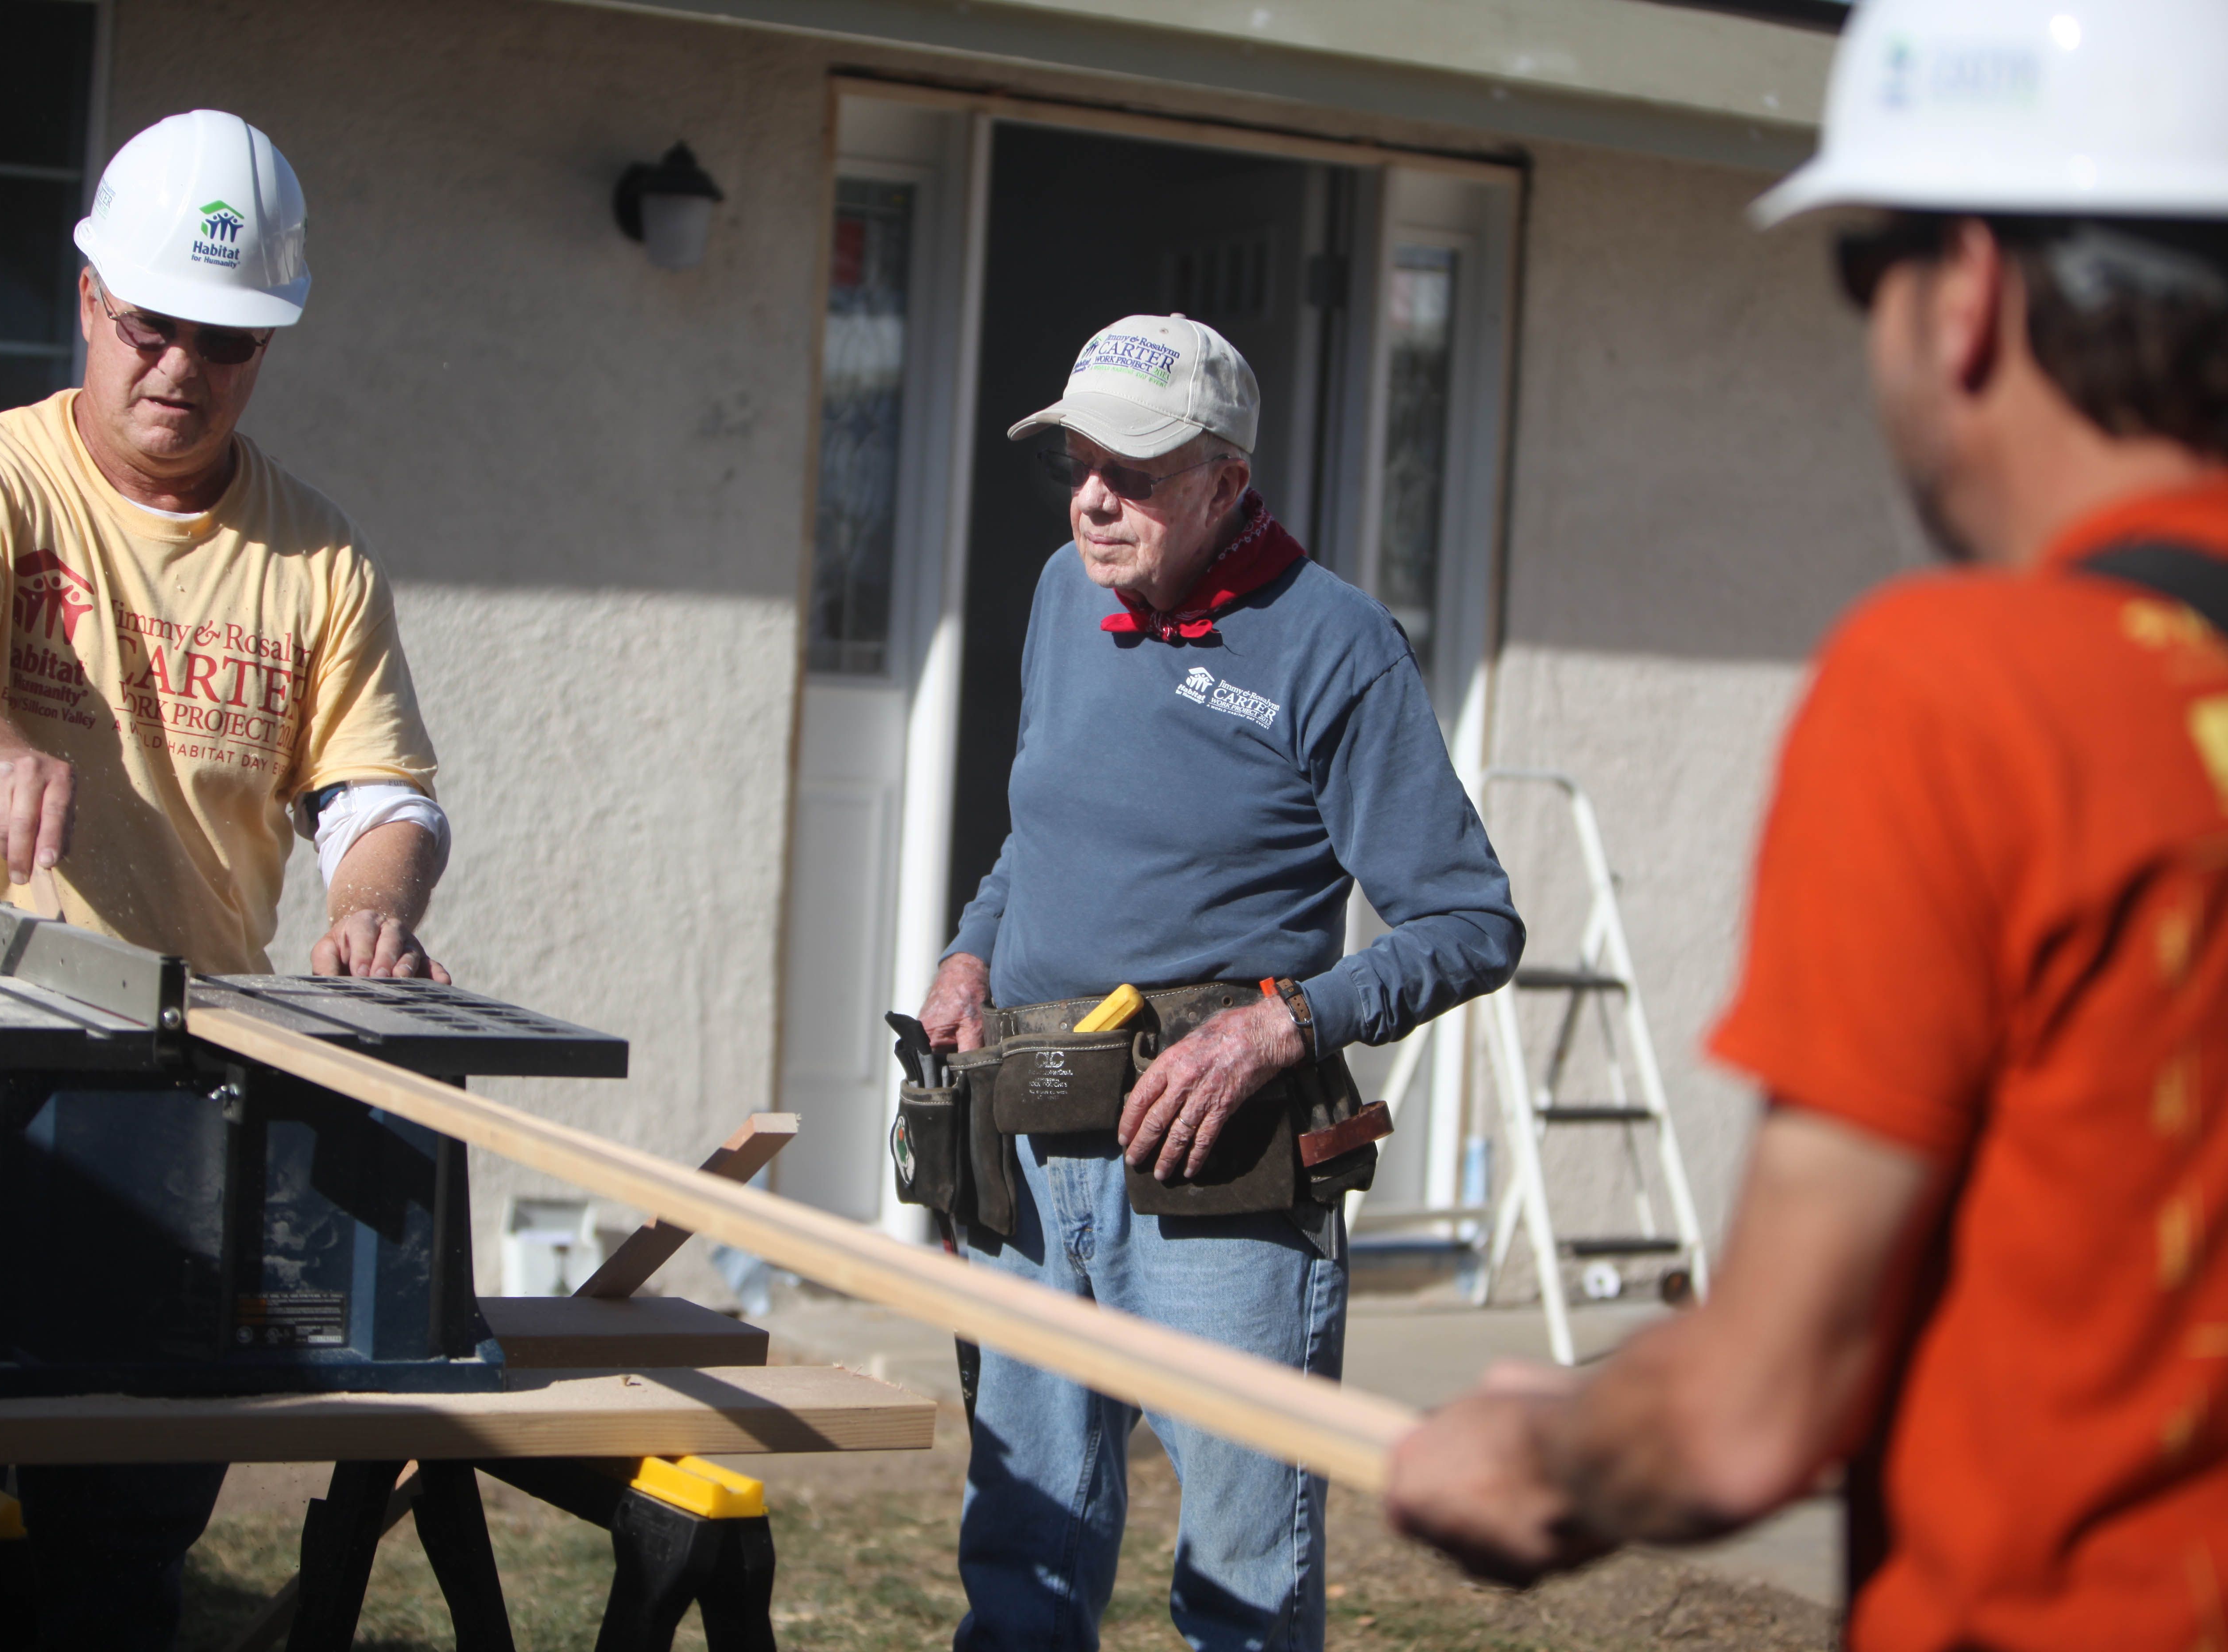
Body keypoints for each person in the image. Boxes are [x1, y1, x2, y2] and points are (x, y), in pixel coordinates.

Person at [1382, 2, 2228, 1646]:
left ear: (1969, 290)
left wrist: (1544, 1448)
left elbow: (1749, 1411)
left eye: (1868, 273)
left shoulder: (1972, 691)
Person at [0, 109, 450, 1648]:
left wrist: (376, 895)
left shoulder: (316, 559)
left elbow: (383, 792)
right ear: (92, 297)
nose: (181, 368)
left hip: (179, 1100)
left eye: (227, 343)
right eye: (155, 326)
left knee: (123, 1543)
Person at [914, 312, 1522, 1650]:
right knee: (1018, 1557)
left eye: (1130, 473)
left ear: (1226, 482)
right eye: (1080, 463)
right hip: (1032, 1134)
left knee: (1243, 1584)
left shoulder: (1334, 645)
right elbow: (1042, 827)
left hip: (1221, 1170)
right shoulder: (1060, 596)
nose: (1092, 499)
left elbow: (1472, 922)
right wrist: (969, 952)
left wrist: (1278, 1028)